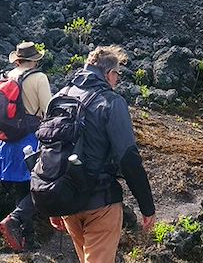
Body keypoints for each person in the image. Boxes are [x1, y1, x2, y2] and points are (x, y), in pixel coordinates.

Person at [51, 45, 156, 263]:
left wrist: (54, 203)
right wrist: (147, 206)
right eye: (117, 74)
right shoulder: (111, 102)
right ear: (109, 74)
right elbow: (128, 158)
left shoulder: (61, 96)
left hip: (67, 201)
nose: (117, 80)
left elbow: (49, 151)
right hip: (101, 202)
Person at [0, 41, 52, 251]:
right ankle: (14, 221)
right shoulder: (39, 78)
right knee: (41, 188)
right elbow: (48, 110)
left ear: (17, 60)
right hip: (31, 140)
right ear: (35, 60)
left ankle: (27, 240)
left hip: (9, 142)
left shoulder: (8, 77)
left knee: (21, 189)